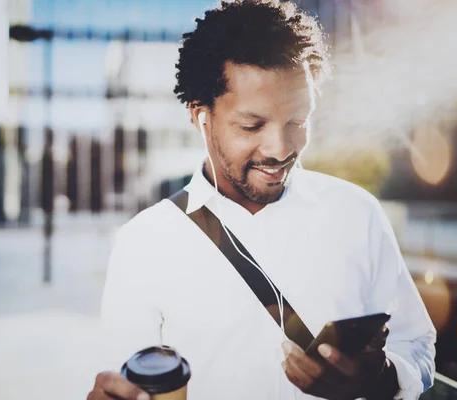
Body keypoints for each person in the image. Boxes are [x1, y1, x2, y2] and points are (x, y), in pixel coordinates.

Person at [87, 1, 436, 399]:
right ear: (200, 116)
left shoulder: (359, 215)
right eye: (252, 125)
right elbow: (128, 379)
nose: (280, 148)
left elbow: (418, 344)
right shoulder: (144, 242)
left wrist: (384, 377)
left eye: (298, 123)